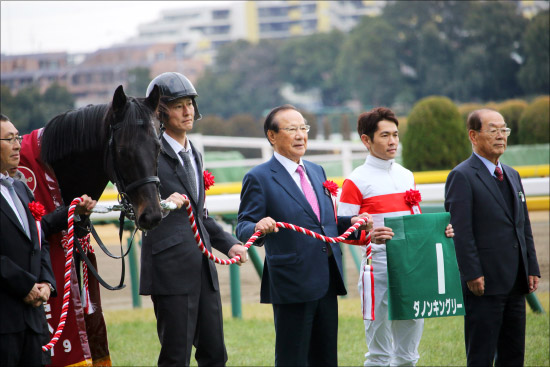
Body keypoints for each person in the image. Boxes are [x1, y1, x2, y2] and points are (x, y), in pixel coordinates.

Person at [236, 104, 373, 366]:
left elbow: (323, 225)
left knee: (325, 358)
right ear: (272, 136)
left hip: (326, 277)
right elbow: (242, 226)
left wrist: (351, 222)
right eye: (291, 129)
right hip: (292, 283)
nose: (300, 135)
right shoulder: (259, 177)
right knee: (293, 359)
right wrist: (257, 227)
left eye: (303, 128)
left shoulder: (316, 170)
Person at [140, 72, 248, 367]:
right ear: (160, 111)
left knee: (215, 355)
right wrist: (163, 204)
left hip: (203, 268)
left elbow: (199, 214)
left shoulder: (194, 153)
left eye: (189, 104)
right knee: (176, 357)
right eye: (178, 105)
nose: (188, 111)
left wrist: (230, 245)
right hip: (170, 270)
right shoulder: (148, 154)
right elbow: (140, 209)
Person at [338, 107, 454, 366]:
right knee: (378, 353)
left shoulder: (406, 175)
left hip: (411, 267)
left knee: (408, 352)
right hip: (377, 270)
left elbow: (416, 222)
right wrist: (370, 236)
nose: (392, 141)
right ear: (366, 140)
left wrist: (441, 232)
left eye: (396, 135)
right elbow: (341, 229)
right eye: (385, 135)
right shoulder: (355, 181)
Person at [444, 108, 540, 366]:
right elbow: (461, 232)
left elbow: (523, 225)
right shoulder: (462, 176)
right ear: (473, 136)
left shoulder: (511, 174)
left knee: (513, 354)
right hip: (484, 284)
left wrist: (531, 266)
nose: (501, 136)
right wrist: (472, 274)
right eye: (493, 130)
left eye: (504, 129)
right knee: (481, 355)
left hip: (516, 281)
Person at [0, 114, 57, 366]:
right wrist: (25, 286)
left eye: (18, 138)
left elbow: (39, 239)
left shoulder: (22, 189)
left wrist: (46, 281)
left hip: (34, 322)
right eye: (9, 139)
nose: (17, 145)